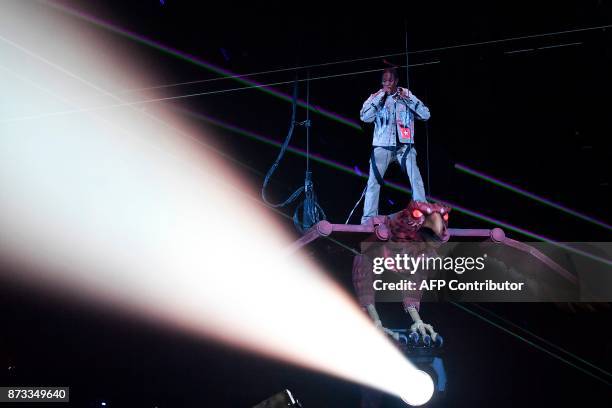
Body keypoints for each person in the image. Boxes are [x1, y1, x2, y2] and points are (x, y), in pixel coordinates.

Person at [359, 67, 430, 224]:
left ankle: (422, 211)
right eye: (384, 81)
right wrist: (380, 98)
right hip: (382, 146)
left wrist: (408, 99)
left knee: (415, 177)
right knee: (373, 181)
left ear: (396, 81)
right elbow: (365, 117)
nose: (387, 84)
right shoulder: (376, 97)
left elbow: (425, 115)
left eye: (390, 80)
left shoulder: (407, 95)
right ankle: (368, 218)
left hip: (404, 147)